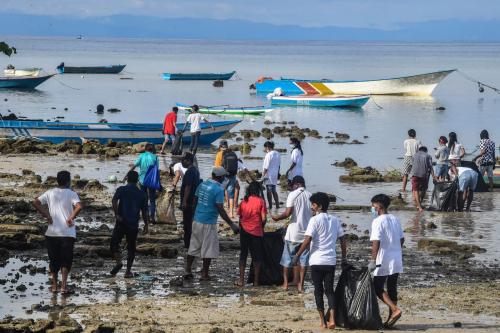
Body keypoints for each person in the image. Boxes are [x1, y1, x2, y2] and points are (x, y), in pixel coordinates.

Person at [293, 192, 347, 329]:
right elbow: (343, 239)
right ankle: (332, 319)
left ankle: (323, 322)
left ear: (320, 206)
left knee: (318, 291)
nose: (312, 207)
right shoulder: (335, 220)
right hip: (330, 261)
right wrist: (344, 257)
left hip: (316, 261)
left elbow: (307, 240)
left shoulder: (314, 220)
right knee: (330, 291)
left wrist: (298, 255)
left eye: (313, 204)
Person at [185, 167, 239, 280]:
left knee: (193, 247)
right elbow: (220, 209)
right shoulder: (218, 190)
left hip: (197, 220)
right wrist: (232, 224)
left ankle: (188, 270)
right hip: (209, 222)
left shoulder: (202, 185)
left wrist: (194, 217)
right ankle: (204, 274)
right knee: (208, 249)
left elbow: (195, 201)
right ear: (220, 177)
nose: (225, 178)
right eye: (224, 176)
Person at [33, 171, 82, 294]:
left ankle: (54, 286)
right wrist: (71, 218)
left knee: (53, 260)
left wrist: (47, 215)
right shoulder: (71, 193)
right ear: (68, 181)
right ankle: (64, 287)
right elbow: (79, 207)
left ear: (57, 180)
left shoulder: (50, 192)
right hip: (67, 233)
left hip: (52, 233)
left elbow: (36, 202)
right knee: (66, 261)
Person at [368, 194, 404, 329]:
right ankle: (390, 320)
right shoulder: (395, 219)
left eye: (373, 205)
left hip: (383, 258)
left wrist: (372, 260)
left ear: (379, 206)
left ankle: (395, 310)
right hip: (396, 257)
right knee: (392, 288)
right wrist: (395, 249)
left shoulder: (377, 221)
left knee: (377, 287)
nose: (372, 208)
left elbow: (375, 242)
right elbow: (402, 239)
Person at [272, 176, 311, 292]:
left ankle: (285, 284)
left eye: (292, 185)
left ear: (296, 184)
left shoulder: (293, 194)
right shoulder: (310, 195)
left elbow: (288, 213)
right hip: (306, 235)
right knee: (303, 260)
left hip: (293, 233)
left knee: (287, 260)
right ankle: (300, 284)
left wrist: (277, 218)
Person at [110, 170, 149, 278]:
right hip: (133, 224)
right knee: (131, 248)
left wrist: (117, 214)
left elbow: (114, 201)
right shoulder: (142, 194)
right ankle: (128, 271)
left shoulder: (122, 189)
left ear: (127, 179)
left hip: (121, 222)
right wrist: (146, 225)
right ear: (137, 180)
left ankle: (118, 262)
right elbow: (145, 211)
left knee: (114, 243)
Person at [235, 181, 267, 287]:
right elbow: (264, 219)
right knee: (257, 257)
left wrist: (241, 228)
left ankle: (241, 280)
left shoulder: (244, 202)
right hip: (256, 232)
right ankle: (256, 282)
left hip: (244, 231)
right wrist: (261, 228)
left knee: (243, 255)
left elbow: (240, 217)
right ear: (258, 190)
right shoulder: (261, 201)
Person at [125, 143, 159, 224]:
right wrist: (158, 182)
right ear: (152, 149)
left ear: (145, 149)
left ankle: (146, 216)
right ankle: (152, 217)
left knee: (144, 199)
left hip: (142, 181)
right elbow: (157, 170)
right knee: (152, 200)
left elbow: (134, 166)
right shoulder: (155, 157)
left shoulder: (141, 156)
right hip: (151, 181)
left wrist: (127, 175)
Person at [180, 152, 200, 249]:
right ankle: (191, 243)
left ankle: (188, 245)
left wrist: (184, 200)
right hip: (193, 201)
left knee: (187, 224)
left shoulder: (189, 172)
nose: (182, 162)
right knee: (191, 222)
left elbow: (188, 186)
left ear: (188, 161)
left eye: (183, 160)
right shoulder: (196, 171)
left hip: (188, 202)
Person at [411, 146, 436, 212]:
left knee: (416, 190)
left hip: (415, 174)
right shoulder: (428, 156)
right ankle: (420, 203)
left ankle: (418, 206)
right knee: (424, 189)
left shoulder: (414, 155)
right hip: (424, 175)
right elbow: (430, 167)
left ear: (419, 150)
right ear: (426, 150)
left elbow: (412, 164)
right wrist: (433, 177)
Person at [222, 144, 240, 218]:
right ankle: (231, 213)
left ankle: (227, 207)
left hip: (226, 175)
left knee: (225, 190)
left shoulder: (224, 155)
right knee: (231, 194)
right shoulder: (234, 155)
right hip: (233, 176)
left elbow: (222, 166)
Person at [262, 141, 281, 210]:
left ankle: (270, 206)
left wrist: (262, 176)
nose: (265, 149)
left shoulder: (268, 154)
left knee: (269, 191)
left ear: (268, 147)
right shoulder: (278, 153)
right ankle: (277, 205)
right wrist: (278, 173)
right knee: (274, 190)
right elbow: (279, 165)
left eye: (265, 148)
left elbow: (266, 167)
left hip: (269, 175)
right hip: (275, 174)